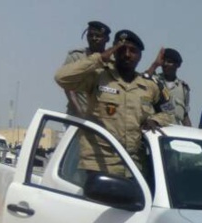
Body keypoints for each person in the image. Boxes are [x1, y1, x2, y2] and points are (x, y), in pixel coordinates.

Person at [54, 29, 175, 175]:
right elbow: (62, 78)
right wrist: (100, 58)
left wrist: (155, 120)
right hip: (99, 165)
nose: (127, 54)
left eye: (132, 51)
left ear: (140, 56)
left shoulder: (148, 86)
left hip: (134, 168)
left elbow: (169, 113)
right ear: (114, 51)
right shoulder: (98, 77)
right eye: (122, 49)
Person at [62, 20, 111, 117]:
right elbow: (68, 85)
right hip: (76, 116)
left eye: (98, 36)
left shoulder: (113, 61)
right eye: (90, 35)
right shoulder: (76, 57)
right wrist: (80, 113)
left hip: (103, 118)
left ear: (106, 39)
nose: (94, 38)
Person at [146, 48, 191, 126]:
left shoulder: (183, 88)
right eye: (164, 61)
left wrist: (191, 133)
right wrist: (155, 64)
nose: (165, 64)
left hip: (175, 131)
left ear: (177, 65)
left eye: (169, 62)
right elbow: (142, 81)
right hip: (156, 130)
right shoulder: (154, 80)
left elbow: (185, 115)